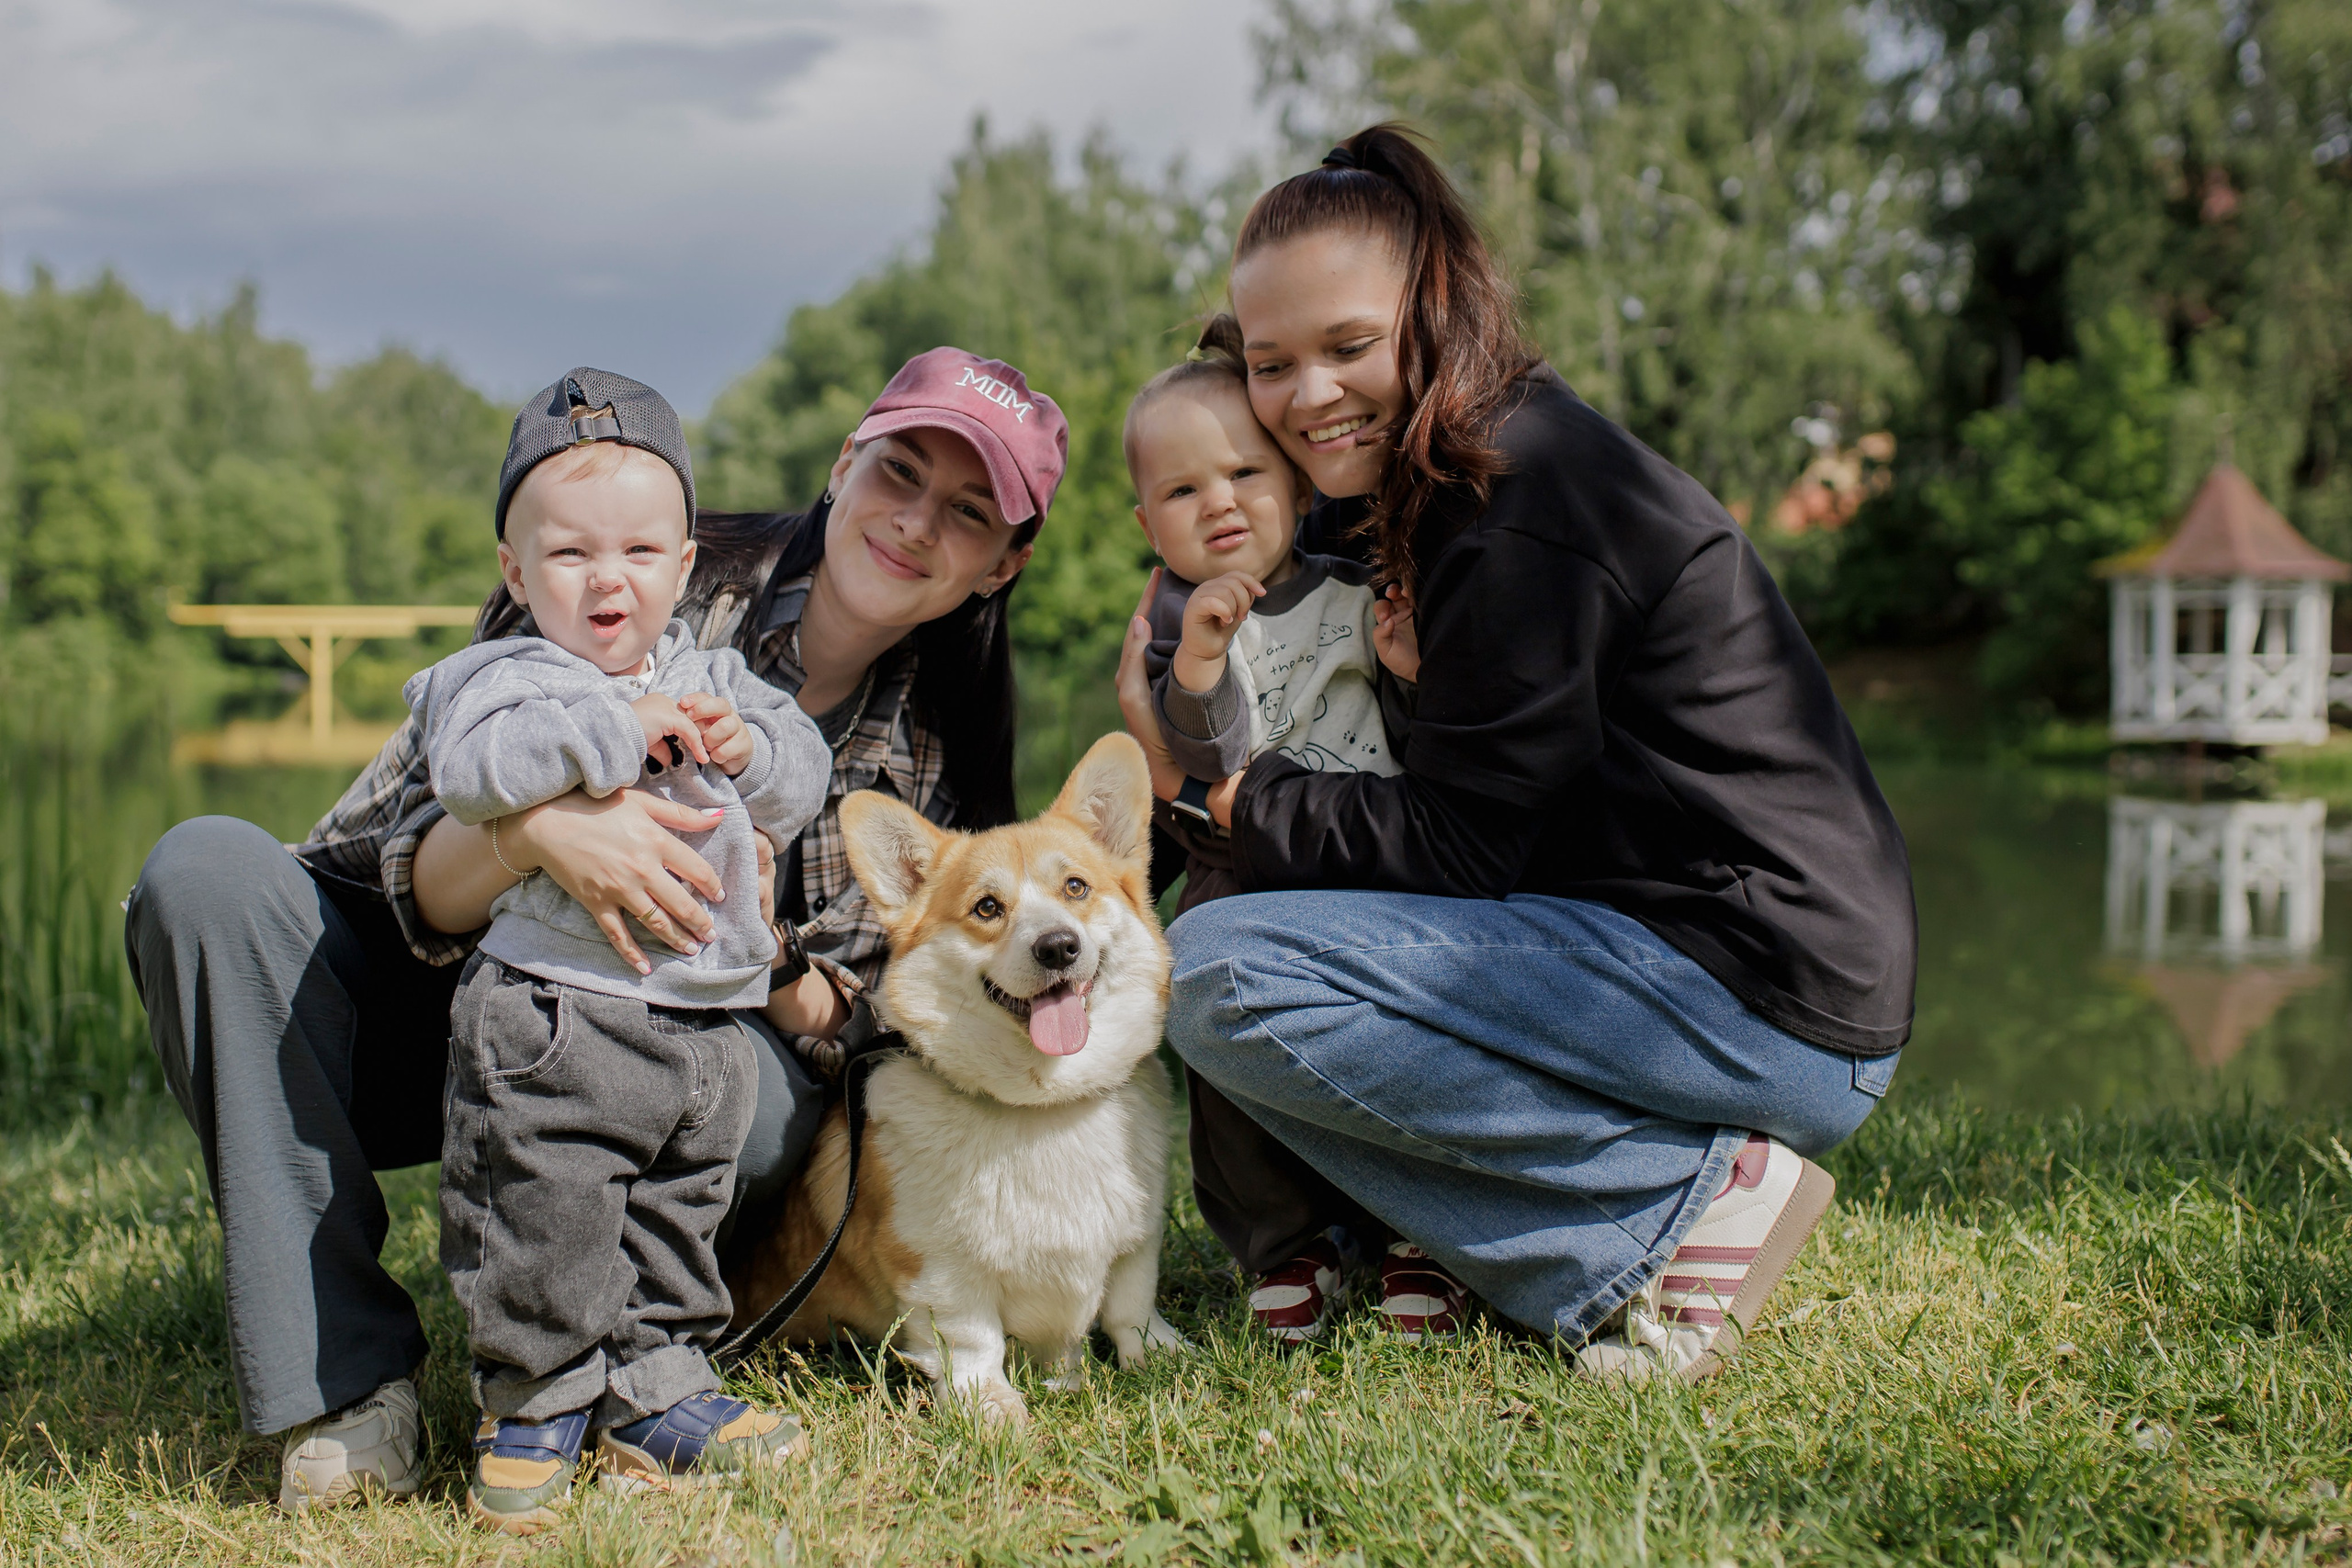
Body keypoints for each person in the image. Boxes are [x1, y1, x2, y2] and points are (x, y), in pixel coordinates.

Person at [123, 346, 1066, 1510]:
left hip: (660, 1052)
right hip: (451, 987)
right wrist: (543, 833)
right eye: (899, 473)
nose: (916, 522)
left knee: (777, 1105)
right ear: (843, 465)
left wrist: (755, 937)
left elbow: (858, 1017)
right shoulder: (624, 550)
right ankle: (350, 1383)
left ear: (1004, 564)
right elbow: (399, 877)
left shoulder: (937, 756)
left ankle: (633, 1365)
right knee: (205, 872)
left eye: (967, 513)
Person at [1117, 124, 1915, 1381]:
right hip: (1669, 958)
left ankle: (1688, 1202)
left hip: (1762, 996)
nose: (1306, 395)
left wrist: (1234, 798)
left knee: (1219, 973)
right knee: (1229, 953)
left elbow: (1459, 844)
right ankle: (1554, 1240)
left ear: (1430, 308)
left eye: (1347, 347)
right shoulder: (1452, 470)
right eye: (1272, 363)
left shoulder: (1522, 497)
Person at [408, 369, 831, 1529]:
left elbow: (803, 784)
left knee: (673, 1209)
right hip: (557, 1014)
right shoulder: (507, 680)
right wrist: (616, 726)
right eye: (570, 557)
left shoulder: (716, 677)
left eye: (641, 553)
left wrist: (751, 748)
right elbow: (471, 773)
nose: (608, 581)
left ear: (686, 566)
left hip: (704, 1019)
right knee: (548, 1206)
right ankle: (536, 1394)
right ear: (515, 573)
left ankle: (654, 1389)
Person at [1121, 324, 1425, 1342]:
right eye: (1181, 492)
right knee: (1226, 1062)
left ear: (1299, 487)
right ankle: (1284, 1241)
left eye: (1246, 473)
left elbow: (1421, 740)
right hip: (1243, 868)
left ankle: (1411, 1233)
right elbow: (1201, 762)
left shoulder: (1352, 593)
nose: (1219, 503)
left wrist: (1408, 667)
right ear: (1147, 522)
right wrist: (1200, 663)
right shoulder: (1177, 624)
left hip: (1373, 856)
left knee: (1398, 1043)